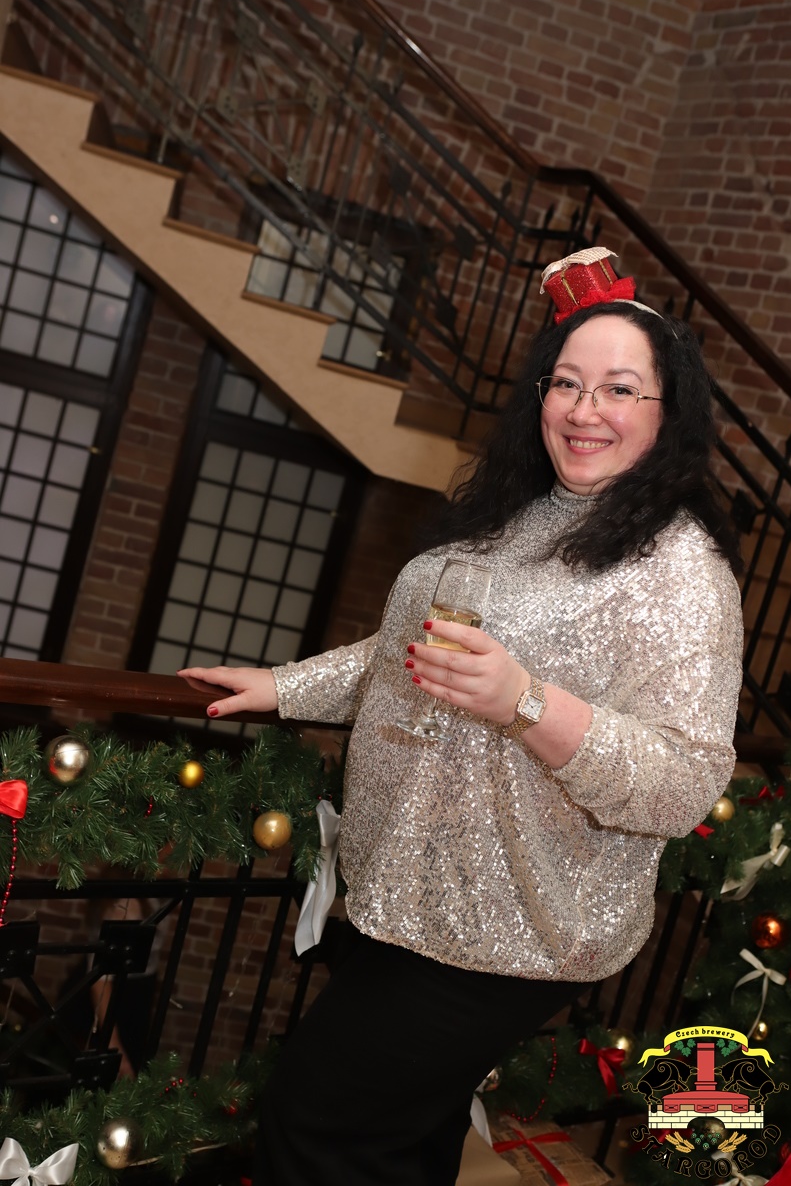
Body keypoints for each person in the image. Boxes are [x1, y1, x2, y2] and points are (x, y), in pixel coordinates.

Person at [178, 248, 743, 1186]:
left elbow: (683, 783)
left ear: (667, 410)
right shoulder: (523, 513)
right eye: (566, 383)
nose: (584, 409)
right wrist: (286, 686)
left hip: (513, 928)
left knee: (315, 1123)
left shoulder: (682, 573)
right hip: (407, 892)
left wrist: (526, 703)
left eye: (618, 389)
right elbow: (414, 652)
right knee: (403, 1144)